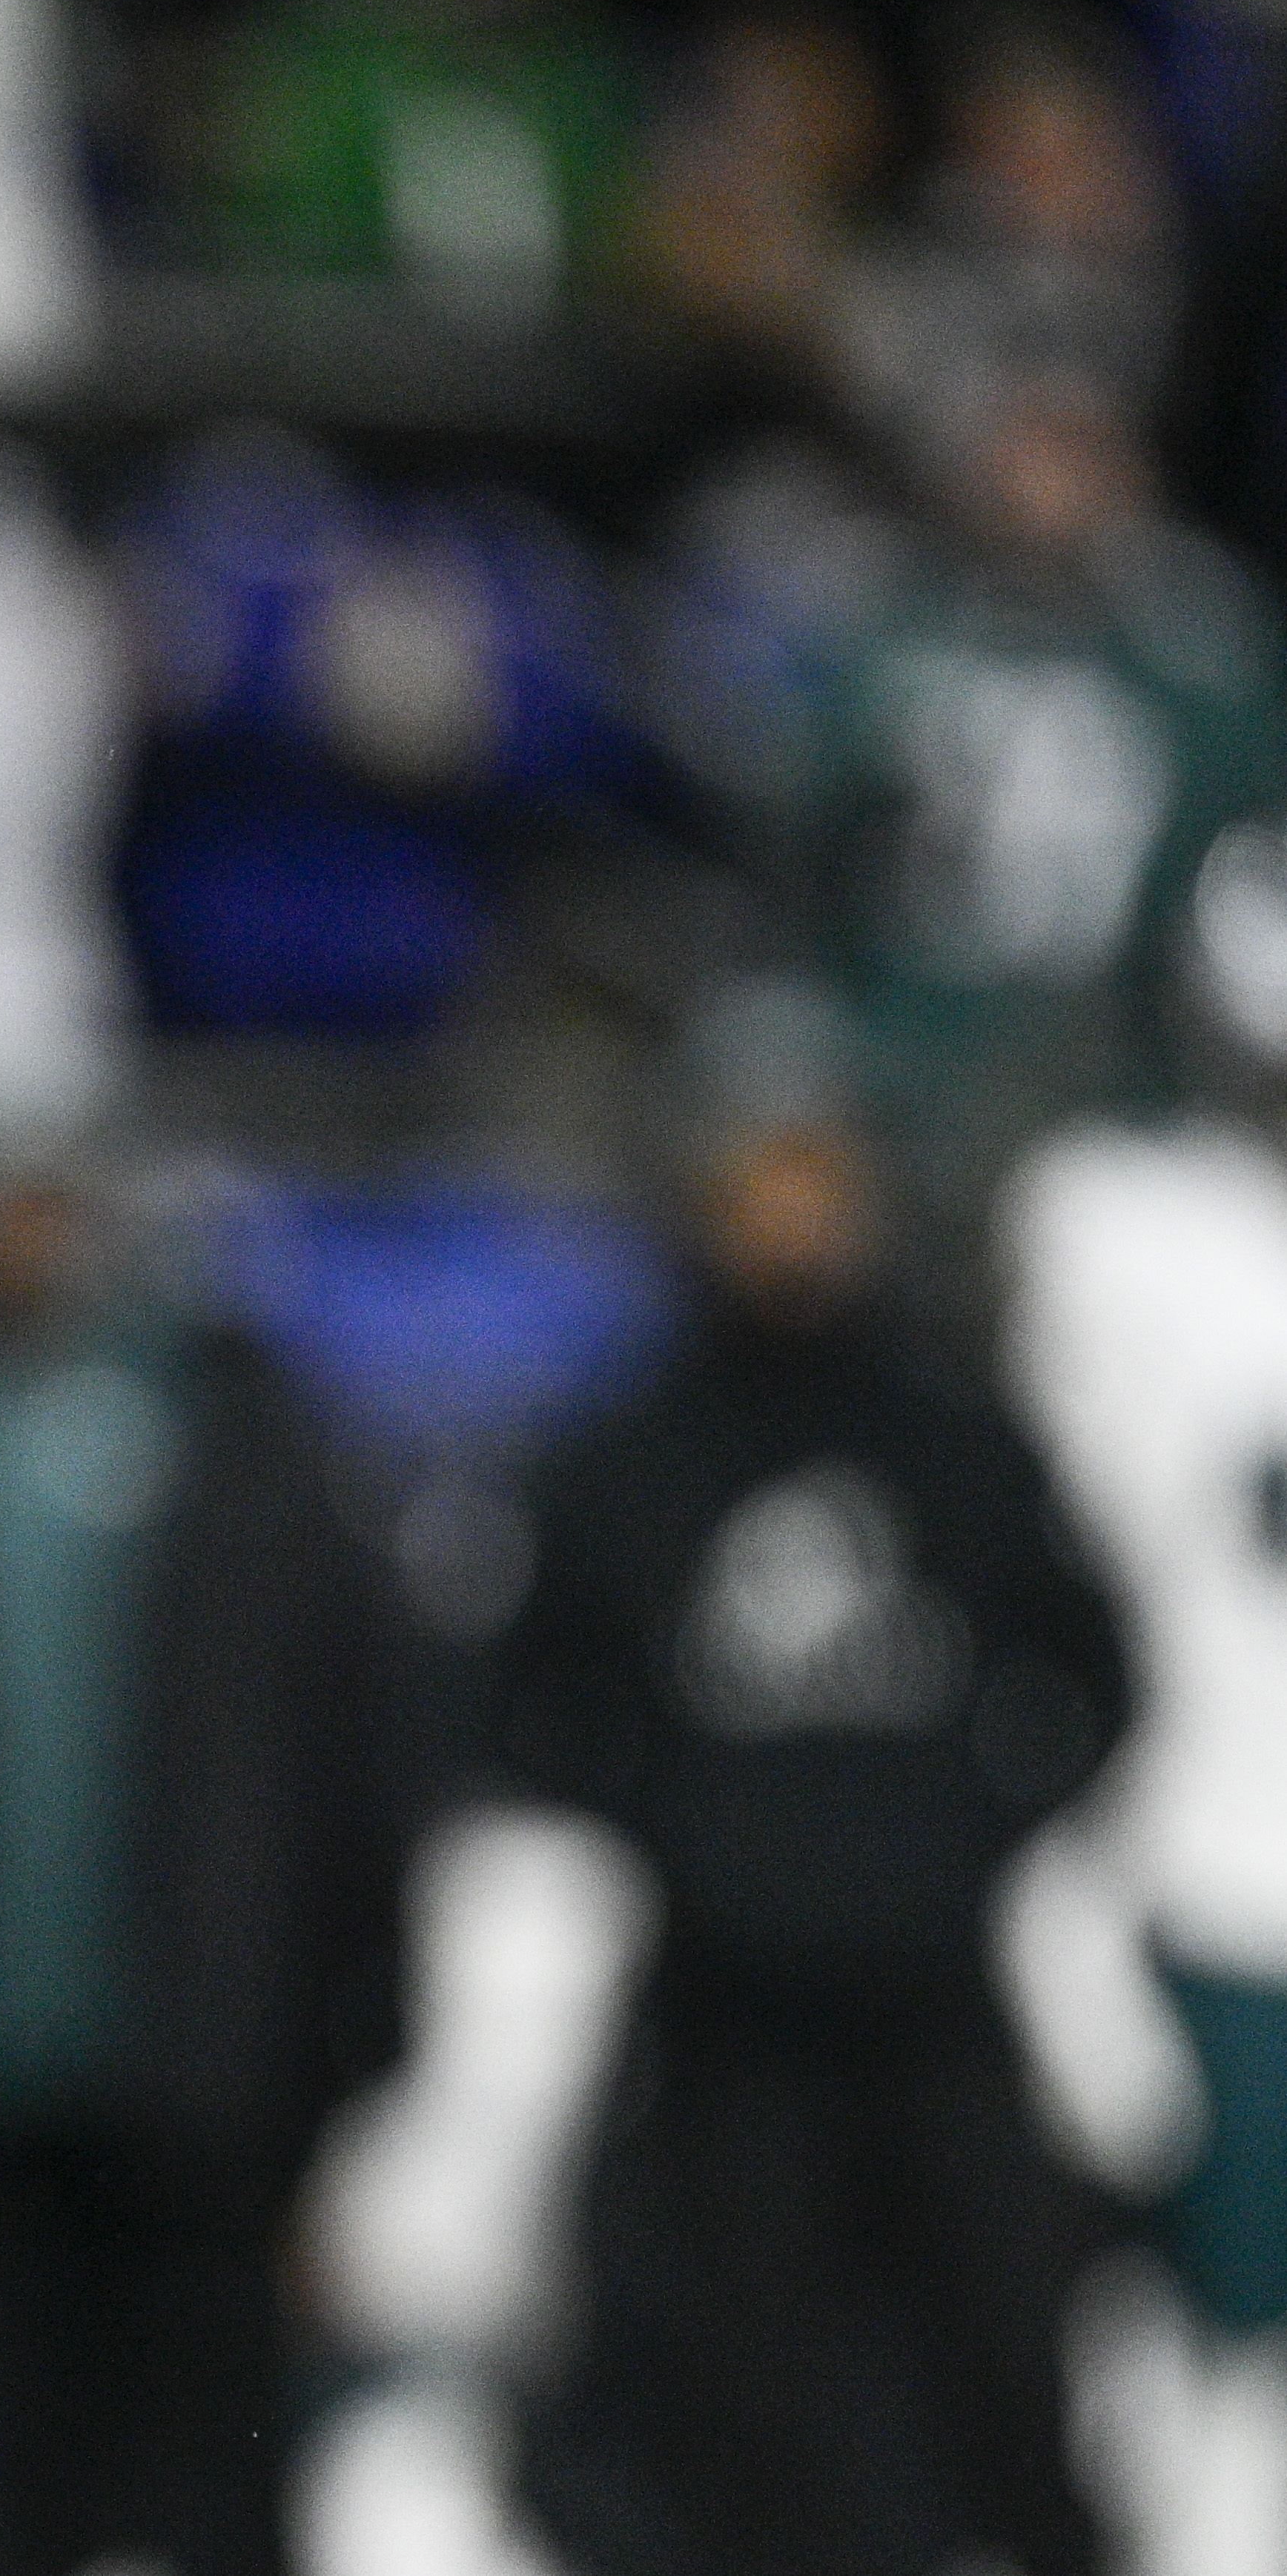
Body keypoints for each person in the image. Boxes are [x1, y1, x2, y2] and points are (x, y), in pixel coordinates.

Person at [494, 989, 1128, 2576]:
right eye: (755, 1180)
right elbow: (526, 1702)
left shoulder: (948, 1434)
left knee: (1014, 2396)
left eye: (815, 1176)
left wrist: (964, 1823)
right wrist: (686, 1828)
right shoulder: (630, 1450)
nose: (789, 1217)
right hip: (724, 2038)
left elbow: (1094, 1671)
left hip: (940, 2012)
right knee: (734, 2424)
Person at [0, 1121, 411, 2576]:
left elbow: (351, 1743)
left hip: (194, 2089)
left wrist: (350, 2026)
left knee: (208, 2486)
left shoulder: (230, 1426)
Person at [1005, 822, 1287, 2576]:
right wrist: (1071, 1916)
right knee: (1189, 2376)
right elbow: (1077, 1603)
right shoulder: (1117, 1227)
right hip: (1203, 1878)